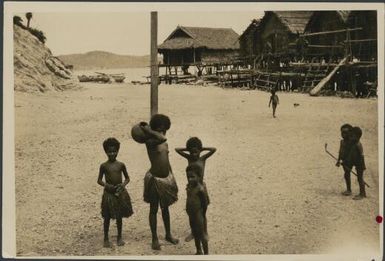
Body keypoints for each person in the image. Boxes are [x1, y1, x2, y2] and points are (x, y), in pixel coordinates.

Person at [139, 114, 179, 250]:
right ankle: (154, 238)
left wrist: (172, 177)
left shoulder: (163, 142)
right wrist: (149, 131)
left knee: (165, 208)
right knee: (154, 209)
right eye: (159, 129)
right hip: (155, 179)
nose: (162, 132)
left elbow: (167, 160)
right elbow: (162, 137)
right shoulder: (150, 142)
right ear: (154, 129)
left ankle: (168, 234)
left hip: (165, 179)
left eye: (164, 130)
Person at [175, 137, 216, 241]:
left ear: (199, 151)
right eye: (192, 152)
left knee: (202, 212)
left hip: (201, 188)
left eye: (196, 152)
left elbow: (213, 149)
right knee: (191, 212)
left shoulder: (203, 159)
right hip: (191, 188)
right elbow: (177, 149)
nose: (194, 154)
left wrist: (202, 148)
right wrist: (188, 149)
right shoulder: (189, 158)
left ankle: (205, 232)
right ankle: (193, 232)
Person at [97, 138, 133, 247]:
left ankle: (119, 237)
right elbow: (99, 180)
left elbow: (127, 178)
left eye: (114, 151)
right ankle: (106, 238)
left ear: (117, 151)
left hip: (119, 193)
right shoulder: (103, 166)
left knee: (119, 216)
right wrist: (107, 185)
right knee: (107, 217)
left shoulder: (121, 165)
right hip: (109, 194)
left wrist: (122, 185)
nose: (112, 154)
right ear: (106, 152)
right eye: (109, 152)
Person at [185, 164, 209, 255]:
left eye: (192, 177)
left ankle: (206, 254)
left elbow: (205, 203)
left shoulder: (200, 189)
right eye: (188, 177)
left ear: (199, 177)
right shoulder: (189, 187)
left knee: (202, 234)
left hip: (198, 214)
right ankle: (199, 250)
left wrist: (202, 213)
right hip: (191, 214)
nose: (190, 179)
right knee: (195, 232)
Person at [345, 126, 367, 200]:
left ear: (357, 137)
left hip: (360, 164)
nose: (350, 137)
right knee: (359, 178)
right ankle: (351, 191)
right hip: (356, 162)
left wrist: (359, 165)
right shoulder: (353, 144)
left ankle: (362, 194)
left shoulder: (358, 145)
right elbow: (351, 155)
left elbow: (361, 155)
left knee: (360, 178)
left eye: (352, 136)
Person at [336, 124, 353, 196]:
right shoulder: (342, 142)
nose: (343, 134)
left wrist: (346, 161)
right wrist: (338, 160)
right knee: (346, 174)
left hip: (349, 161)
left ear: (350, 133)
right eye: (342, 132)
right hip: (344, 161)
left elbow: (351, 153)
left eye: (345, 132)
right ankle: (348, 189)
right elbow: (340, 151)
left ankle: (350, 190)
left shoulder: (351, 142)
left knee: (347, 174)